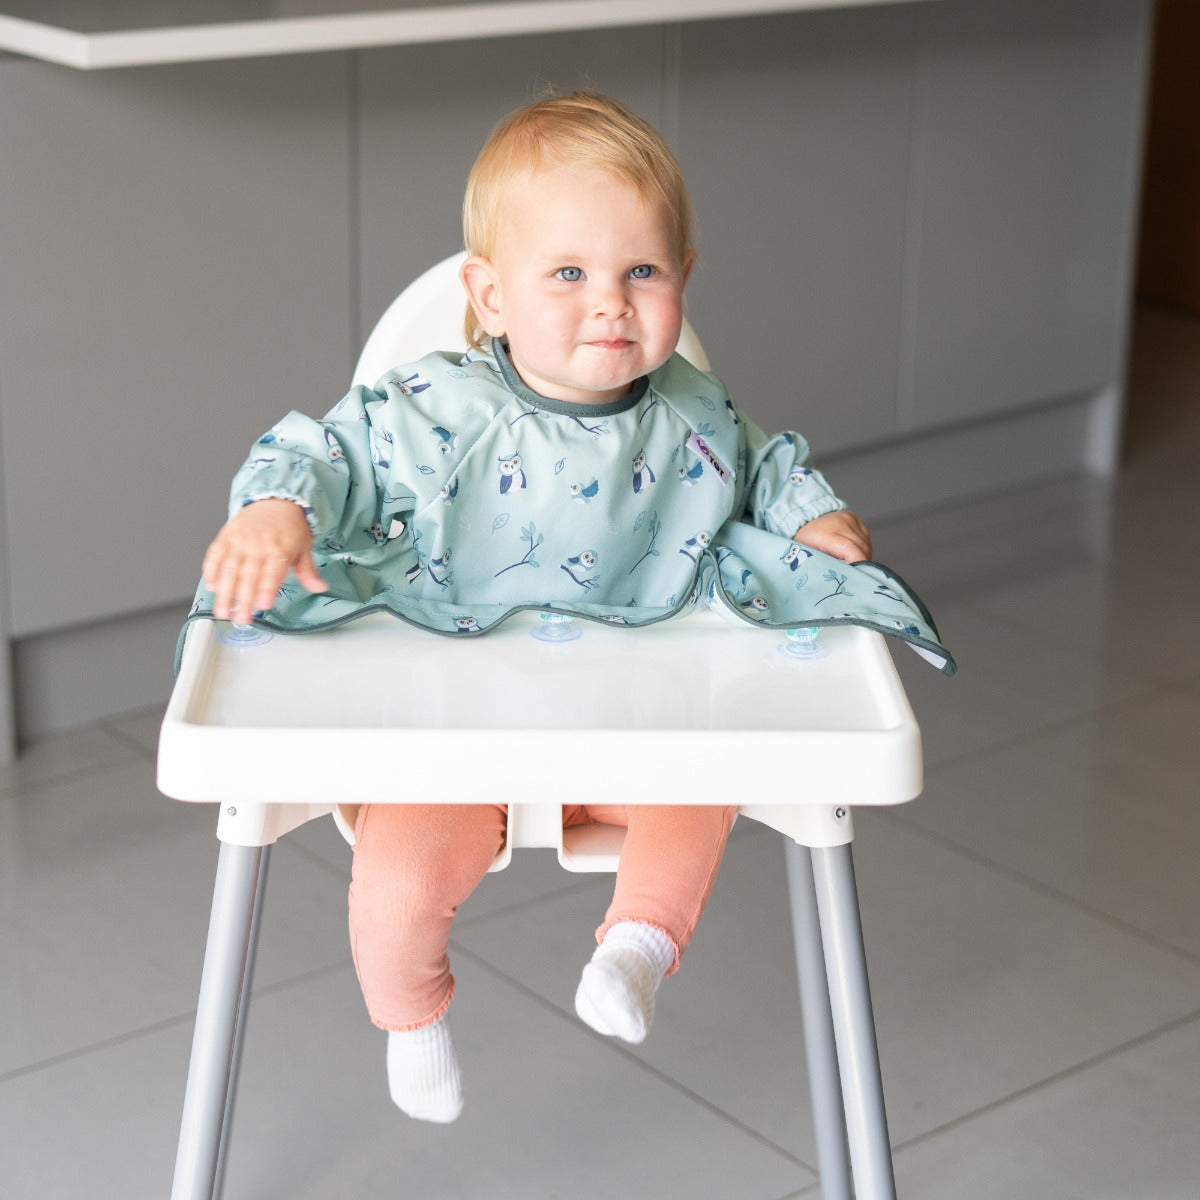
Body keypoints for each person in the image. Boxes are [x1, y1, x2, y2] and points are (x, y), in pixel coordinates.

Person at [198, 91, 894, 1125]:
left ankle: (636, 950)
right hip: (457, 737)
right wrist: (272, 509)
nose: (609, 304)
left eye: (641, 272)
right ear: (489, 296)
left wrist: (817, 522)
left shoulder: (694, 416)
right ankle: (412, 1015)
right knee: (390, 891)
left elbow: (768, 467)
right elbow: (322, 451)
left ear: (683, 281)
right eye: (567, 274)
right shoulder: (436, 412)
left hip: (641, 733)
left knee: (714, 770)